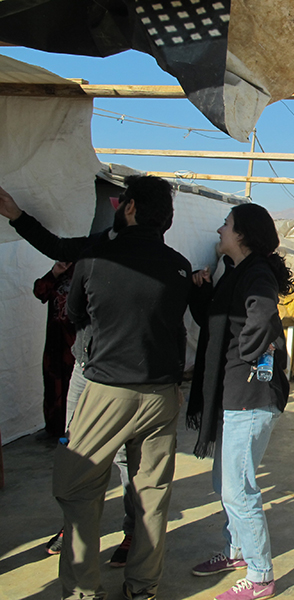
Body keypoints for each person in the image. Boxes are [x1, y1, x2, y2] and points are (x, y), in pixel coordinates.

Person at [55, 174, 192, 600]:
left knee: (79, 489)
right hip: (162, 395)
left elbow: (74, 312)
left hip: (107, 390)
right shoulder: (180, 266)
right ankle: (142, 589)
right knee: (151, 493)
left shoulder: (97, 259)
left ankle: (83, 591)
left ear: (129, 208)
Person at [0, 183, 138, 563]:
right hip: (82, 365)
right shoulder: (95, 248)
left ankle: (131, 534)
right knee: (76, 449)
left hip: (121, 373)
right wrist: (16, 216)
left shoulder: (149, 258)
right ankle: (75, 526)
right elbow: (56, 258)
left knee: (124, 455)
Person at [186, 203, 293, 600]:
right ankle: (236, 552)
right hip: (235, 395)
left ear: (243, 235)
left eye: (226, 225)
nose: (219, 230)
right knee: (224, 482)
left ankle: (261, 576)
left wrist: (248, 353)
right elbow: (214, 322)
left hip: (250, 395)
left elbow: (262, 312)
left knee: (238, 490)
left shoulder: (256, 274)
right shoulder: (236, 273)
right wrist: (200, 290)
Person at [33, 260, 76, 439]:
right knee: (53, 386)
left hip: (74, 342)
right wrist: (55, 272)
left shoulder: (84, 273)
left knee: (74, 386)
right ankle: (53, 429)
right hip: (54, 342)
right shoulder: (56, 277)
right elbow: (40, 291)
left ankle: (74, 429)